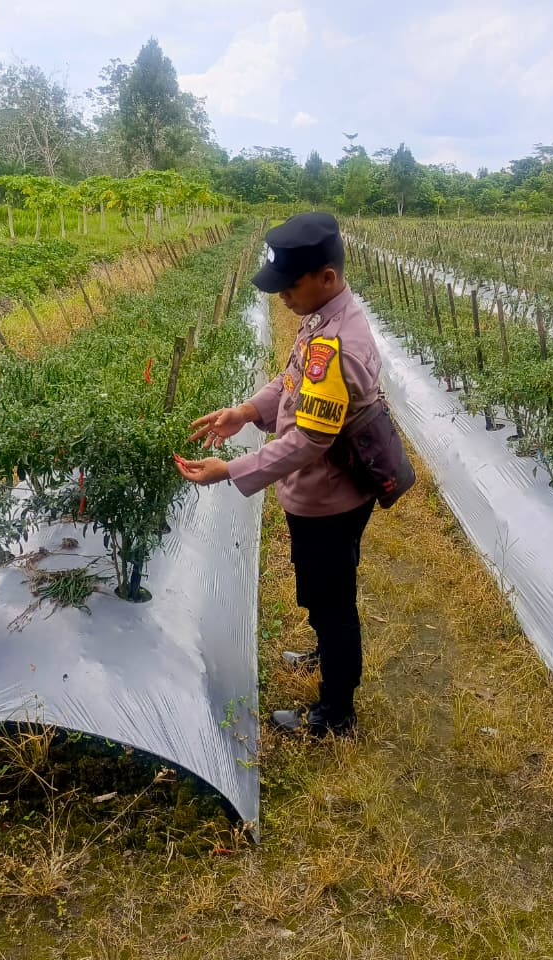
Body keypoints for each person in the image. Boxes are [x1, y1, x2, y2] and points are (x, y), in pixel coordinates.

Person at [175, 212, 381, 737]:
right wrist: (246, 411)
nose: (282, 298)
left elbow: (311, 440)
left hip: (328, 499)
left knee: (332, 602)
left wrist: (231, 470)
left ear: (326, 278)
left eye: (289, 286)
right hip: (327, 493)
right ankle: (325, 653)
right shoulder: (323, 321)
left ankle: (335, 715)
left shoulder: (338, 344)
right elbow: (292, 378)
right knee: (324, 594)